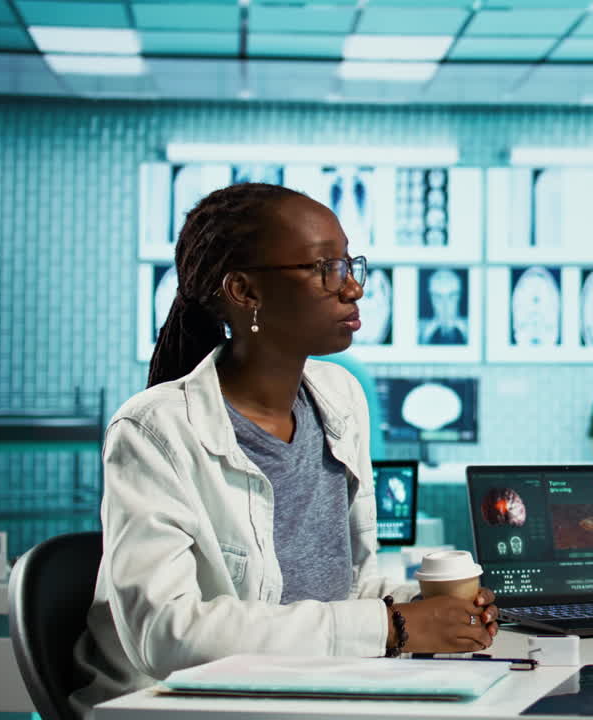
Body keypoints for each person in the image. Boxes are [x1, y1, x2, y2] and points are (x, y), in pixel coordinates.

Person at [71, 183, 499, 714]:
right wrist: (389, 626)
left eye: (350, 265)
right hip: (175, 705)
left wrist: (427, 606)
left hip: (308, 690)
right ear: (244, 291)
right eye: (326, 269)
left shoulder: (339, 399)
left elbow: (347, 587)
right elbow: (166, 634)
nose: (353, 288)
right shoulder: (154, 429)